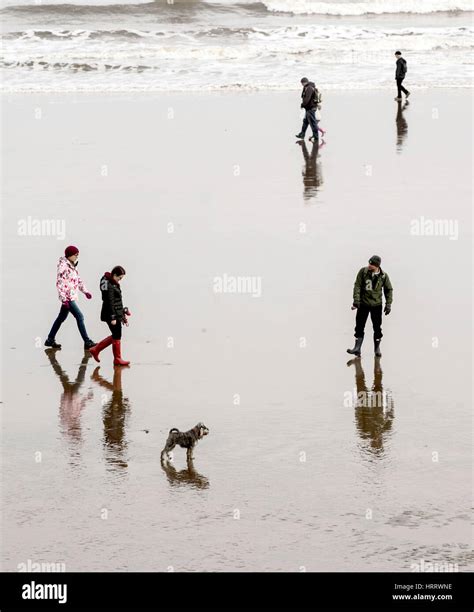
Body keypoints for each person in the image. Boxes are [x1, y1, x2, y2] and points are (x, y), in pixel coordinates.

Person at [45, 245, 96, 350]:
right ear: (69, 255)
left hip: (70, 297)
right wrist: (64, 299)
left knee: (61, 318)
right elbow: (60, 283)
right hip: (68, 298)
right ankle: (87, 342)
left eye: (78, 254)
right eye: (76, 254)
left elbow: (78, 280)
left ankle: (50, 340)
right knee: (80, 317)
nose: (77, 256)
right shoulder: (63, 266)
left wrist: (85, 291)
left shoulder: (73, 265)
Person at [347, 255, 393, 357]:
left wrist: (388, 304)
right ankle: (357, 348)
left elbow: (388, 290)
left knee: (377, 327)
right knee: (359, 326)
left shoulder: (383, 276)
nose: (369, 266)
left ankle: (377, 348)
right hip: (363, 304)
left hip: (376, 305)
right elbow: (357, 286)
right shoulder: (363, 272)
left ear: (377, 266)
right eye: (369, 263)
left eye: (371, 264)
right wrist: (356, 301)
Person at [89, 266, 131, 366]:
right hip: (110, 313)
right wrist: (113, 317)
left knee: (116, 335)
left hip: (115, 312)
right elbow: (109, 302)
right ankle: (116, 358)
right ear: (114, 275)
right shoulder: (110, 285)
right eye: (119, 278)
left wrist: (122, 313)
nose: (120, 280)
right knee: (117, 335)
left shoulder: (110, 282)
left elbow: (116, 301)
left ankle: (97, 350)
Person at [295, 77, 323, 142]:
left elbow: (307, 99)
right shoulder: (307, 87)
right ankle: (302, 134)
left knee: (313, 123)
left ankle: (316, 137)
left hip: (311, 108)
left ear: (304, 82)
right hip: (308, 108)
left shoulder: (309, 88)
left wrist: (302, 104)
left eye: (302, 83)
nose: (302, 84)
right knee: (305, 122)